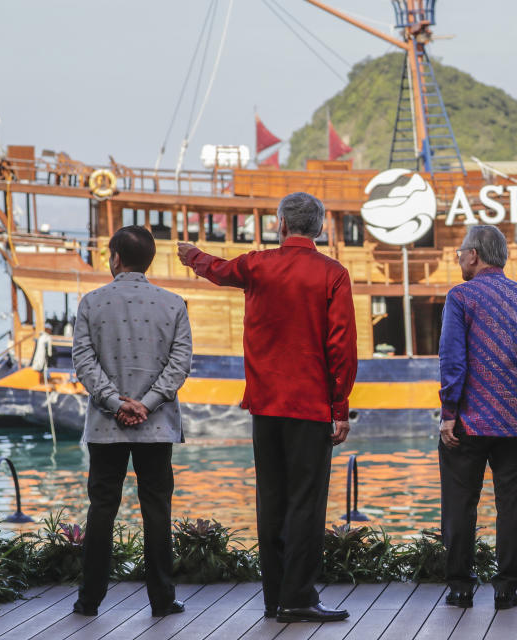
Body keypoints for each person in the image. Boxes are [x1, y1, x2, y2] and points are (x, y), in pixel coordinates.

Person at [178, 192, 357, 623]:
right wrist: (340, 407)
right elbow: (342, 348)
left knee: (271, 501)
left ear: (280, 224)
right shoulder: (333, 274)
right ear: (318, 228)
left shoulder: (257, 265)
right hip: (311, 407)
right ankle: (299, 597)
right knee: (306, 504)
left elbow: (218, 271)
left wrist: (192, 255)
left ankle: (274, 599)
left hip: (264, 405)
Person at [72, 225, 192, 618]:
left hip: (106, 427)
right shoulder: (174, 304)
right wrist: (148, 403)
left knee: (102, 508)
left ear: (116, 257)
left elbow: (83, 362)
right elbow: (180, 365)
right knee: (156, 509)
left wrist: (112, 400)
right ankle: (162, 599)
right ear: (150, 260)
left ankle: (89, 600)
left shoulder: (91, 302)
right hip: (155, 426)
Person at [438, 224, 517, 610]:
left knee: (460, 504)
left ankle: (460, 587)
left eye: (460, 253)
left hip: (470, 423)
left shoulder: (461, 297)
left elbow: (453, 361)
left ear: (473, 255)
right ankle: (506, 589)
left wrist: (449, 413)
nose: (459, 259)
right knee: (511, 507)